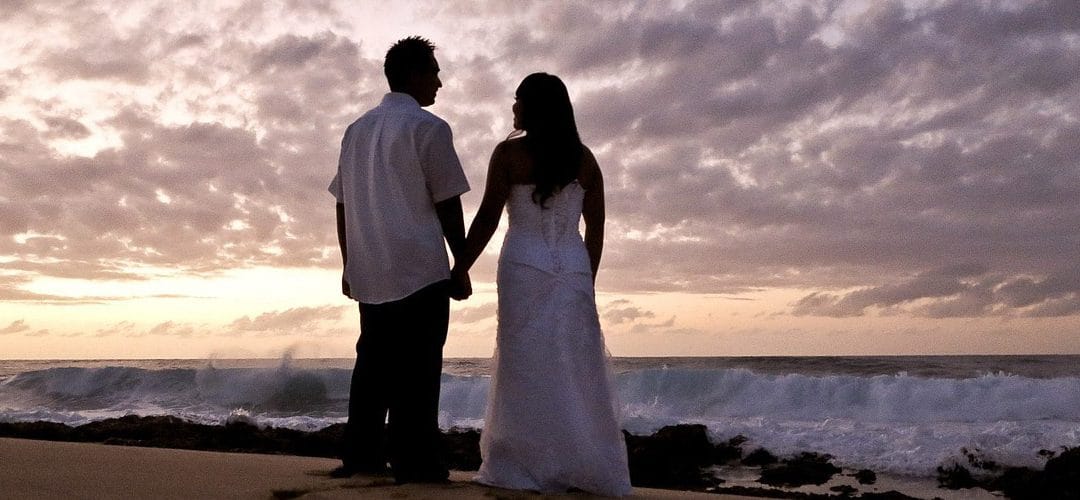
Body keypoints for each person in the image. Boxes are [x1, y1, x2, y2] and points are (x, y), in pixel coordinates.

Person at [451, 73, 632, 496]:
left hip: (523, 265)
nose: (513, 108)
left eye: (519, 100)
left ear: (535, 107)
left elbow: (488, 216)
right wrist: (585, 280)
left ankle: (524, 463)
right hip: (572, 268)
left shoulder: (509, 154)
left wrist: (460, 267)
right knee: (574, 364)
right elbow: (596, 228)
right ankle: (579, 460)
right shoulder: (585, 160)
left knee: (524, 363)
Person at [328, 36, 471, 484]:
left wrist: (349, 263)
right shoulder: (429, 128)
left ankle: (362, 456)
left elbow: (342, 205)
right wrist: (462, 263)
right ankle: (417, 463)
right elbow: (447, 201)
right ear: (413, 74)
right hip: (418, 267)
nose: (439, 82)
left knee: (372, 366)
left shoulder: (356, 130)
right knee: (419, 369)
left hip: (371, 268)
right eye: (434, 72)